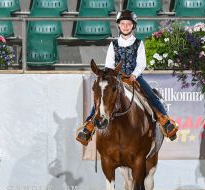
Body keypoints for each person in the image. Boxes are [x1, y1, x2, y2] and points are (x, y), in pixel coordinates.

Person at [76, 10, 178, 145]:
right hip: (116, 78)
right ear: (118, 26)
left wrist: (134, 75)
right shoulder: (113, 44)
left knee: (150, 96)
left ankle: (165, 120)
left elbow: (142, 63)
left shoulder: (138, 43)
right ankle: (89, 125)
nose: (125, 26)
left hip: (134, 77)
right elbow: (109, 64)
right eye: (123, 24)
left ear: (133, 26)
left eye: (128, 24)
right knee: (102, 97)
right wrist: (113, 76)